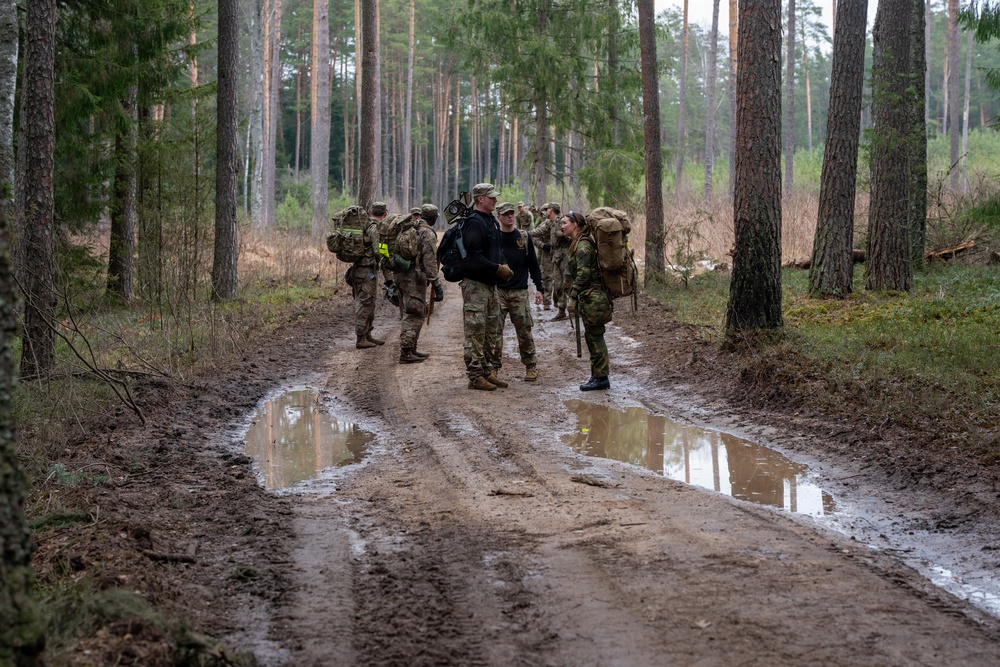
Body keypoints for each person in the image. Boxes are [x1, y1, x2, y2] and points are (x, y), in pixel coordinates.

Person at [460, 183, 513, 391]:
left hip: (490, 285)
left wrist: (503, 264)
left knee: (491, 331)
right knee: (475, 332)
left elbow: (496, 251)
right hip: (476, 286)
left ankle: (486, 371)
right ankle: (474, 376)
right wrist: (497, 268)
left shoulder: (491, 221)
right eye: (491, 197)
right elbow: (474, 258)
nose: (495, 200)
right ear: (480, 199)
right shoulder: (474, 223)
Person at [492, 202, 544, 382]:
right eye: (505, 214)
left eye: (511, 213)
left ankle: (531, 366)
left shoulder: (524, 237)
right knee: (494, 332)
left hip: (520, 291)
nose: (510, 216)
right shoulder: (494, 237)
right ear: (498, 217)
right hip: (498, 291)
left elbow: (533, 265)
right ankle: (493, 368)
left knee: (524, 331)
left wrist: (539, 288)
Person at [562, 210, 613, 391]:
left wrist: (573, 296)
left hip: (593, 298)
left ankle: (601, 378)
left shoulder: (583, 245)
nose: (562, 226)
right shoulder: (578, 243)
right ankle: (597, 375)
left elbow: (584, 274)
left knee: (595, 336)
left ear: (575, 224)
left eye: (565, 223)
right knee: (592, 336)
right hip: (589, 297)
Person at [391, 204, 443, 363]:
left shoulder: (410, 227)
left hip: (400, 275)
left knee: (408, 310)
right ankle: (406, 352)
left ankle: (412, 348)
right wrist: (437, 284)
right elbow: (429, 262)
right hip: (413, 277)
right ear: (433, 218)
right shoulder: (427, 233)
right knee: (414, 313)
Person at [347, 204, 385, 349]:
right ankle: (361, 338)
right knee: (365, 303)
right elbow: (377, 250)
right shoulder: (373, 227)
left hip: (361, 270)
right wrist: (383, 259)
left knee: (369, 302)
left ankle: (367, 335)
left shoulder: (364, 224)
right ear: (385, 214)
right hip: (366, 271)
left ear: (371, 211)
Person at [529, 203, 556, 312]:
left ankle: (559, 302)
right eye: (544, 211)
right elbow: (535, 237)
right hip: (546, 253)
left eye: (547, 211)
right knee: (547, 277)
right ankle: (547, 302)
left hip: (558, 252)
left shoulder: (560, 222)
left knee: (560, 278)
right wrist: (543, 246)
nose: (545, 214)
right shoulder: (542, 223)